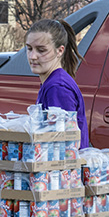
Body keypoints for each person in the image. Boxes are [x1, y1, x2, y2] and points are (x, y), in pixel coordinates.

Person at [25, 19, 90, 149]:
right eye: (29, 48)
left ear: (60, 51)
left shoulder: (57, 87)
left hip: (64, 168)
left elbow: (61, 144)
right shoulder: (52, 82)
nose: (32, 56)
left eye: (41, 50)